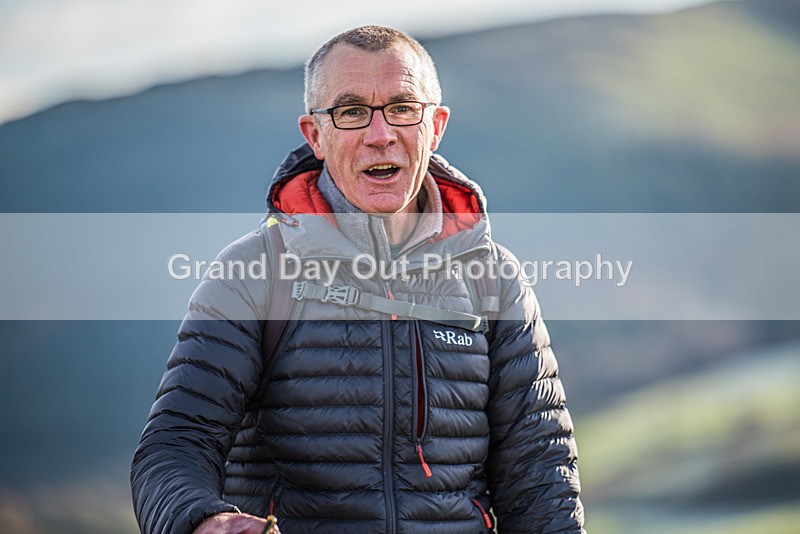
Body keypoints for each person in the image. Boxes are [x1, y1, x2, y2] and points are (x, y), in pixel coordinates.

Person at [131, 25, 584, 534]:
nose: (380, 134)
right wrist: (201, 520)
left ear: (434, 127)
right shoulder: (250, 275)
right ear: (315, 136)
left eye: (402, 108)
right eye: (350, 113)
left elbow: (541, 476)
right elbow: (176, 444)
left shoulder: (494, 279)